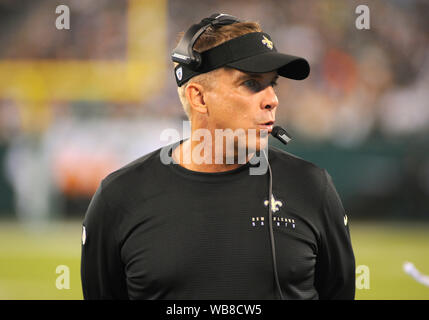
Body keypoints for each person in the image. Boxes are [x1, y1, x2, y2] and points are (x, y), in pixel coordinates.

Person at [81, 13, 355, 300]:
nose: (272, 99)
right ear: (199, 98)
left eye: (273, 83)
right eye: (251, 83)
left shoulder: (312, 188)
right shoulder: (118, 198)